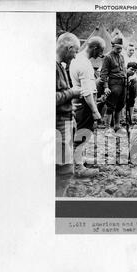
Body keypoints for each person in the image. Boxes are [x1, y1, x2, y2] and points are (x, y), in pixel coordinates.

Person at [69, 36, 106, 177]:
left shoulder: (78, 59)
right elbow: (87, 91)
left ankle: (78, 160)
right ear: (94, 48)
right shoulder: (84, 64)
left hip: (81, 103)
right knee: (83, 134)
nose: (101, 54)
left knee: (81, 133)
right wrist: (95, 111)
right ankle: (78, 167)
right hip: (85, 104)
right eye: (100, 50)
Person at [55, 32, 87, 195]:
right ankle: (58, 203)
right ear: (69, 48)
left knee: (63, 169)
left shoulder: (60, 66)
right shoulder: (52, 66)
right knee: (64, 171)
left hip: (65, 122)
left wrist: (69, 105)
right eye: (75, 52)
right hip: (58, 126)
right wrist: (72, 93)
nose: (74, 57)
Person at [100, 36, 127, 132]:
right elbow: (103, 74)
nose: (119, 50)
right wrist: (106, 87)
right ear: (112, 46)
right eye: (117, 48)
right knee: (111, 106)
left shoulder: (122, 57)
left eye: (121, 48)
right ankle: (107, 128)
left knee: (120, 105)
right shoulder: (108, 57)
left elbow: (123, 70)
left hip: (123, 84)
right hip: (113, 84)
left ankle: (117, 126)